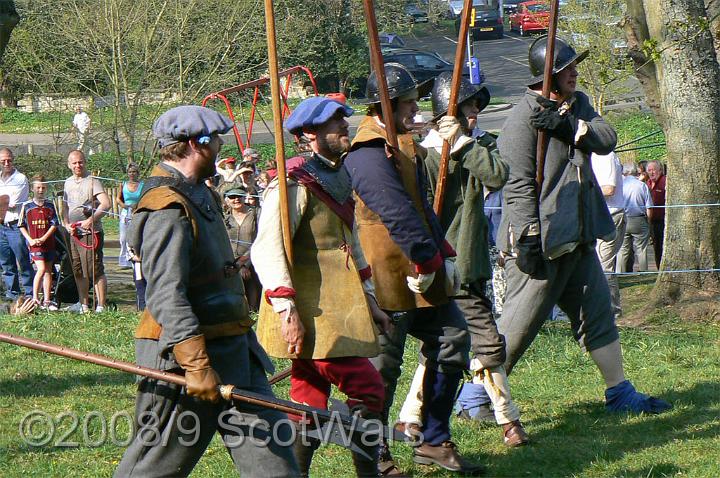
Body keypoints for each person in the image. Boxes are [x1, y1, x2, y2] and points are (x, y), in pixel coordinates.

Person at [115, 105, 299, 477]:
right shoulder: (166, 207)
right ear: (195, 144)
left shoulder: (199, 193)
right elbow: (167, 294)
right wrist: (197, 365)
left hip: (236, 352)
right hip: (184, 362)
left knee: (275, 469)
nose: (220, 145)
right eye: (215, 140)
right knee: (152, 470)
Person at [495, 36, 672, 415]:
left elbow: (607, 139)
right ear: (549, 76)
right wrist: (527, 236)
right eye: (566, 68)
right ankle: (476, 397)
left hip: (578, 236)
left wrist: (571, 127)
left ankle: (620, 392)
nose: (575, 72)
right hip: (540, 242)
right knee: (516, 327)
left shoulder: (579, 106)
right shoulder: (521, 121)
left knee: (598, 316)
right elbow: (518, 184)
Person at [345, 63, 483, 475]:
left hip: (421, 267)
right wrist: (429, 257)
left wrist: (443, 252)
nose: (415, 108)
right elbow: (397, 214)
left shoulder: (401, 145)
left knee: (453, 339)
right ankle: (375, 455)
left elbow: (422, 209)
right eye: (407, 102)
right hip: (388, 274)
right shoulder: (368, 154)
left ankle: (434, 440)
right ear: (384, 106)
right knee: (382, 370)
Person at [252, 96, 392, 477]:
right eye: (334, 123)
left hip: (340, 304)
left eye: (343, 120)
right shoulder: (293, 183)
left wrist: (370, 300)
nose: (344, 126)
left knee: (307, 397)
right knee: (369, 388)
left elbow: (352, 242)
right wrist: (286, 311)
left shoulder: (339, 174)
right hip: (310, 311)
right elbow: (268, 249)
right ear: (309, 134)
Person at [396, 72, 527, 448]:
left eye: (476, 108)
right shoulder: (421, 153)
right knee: (486, 342)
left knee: (442, 346)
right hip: (445, 266)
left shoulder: (476, 144)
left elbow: (499, 174)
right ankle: (509, 421)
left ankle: (408, 419)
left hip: (469, 263)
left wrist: (463, 144)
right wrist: (443, 145)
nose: (475, 114)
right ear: (447, 111)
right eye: (468, 107)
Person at [61, 150, 111, 313]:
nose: (78, 165)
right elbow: (65, 206)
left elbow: (106, 203)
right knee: (78, 270)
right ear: (69, 165)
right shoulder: (67, 182)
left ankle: (101, 306)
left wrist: (91, 220)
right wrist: (66, 223)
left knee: (94, 270)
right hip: (74, 234)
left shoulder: (92, 181)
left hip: (91, 233)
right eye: (74, 163)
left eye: (80, 162)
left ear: (85, 162)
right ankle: (83, 304)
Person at [591, 151, 625, 319]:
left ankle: (613, 312)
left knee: (605, 266)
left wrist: (583, 191)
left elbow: (609, 189)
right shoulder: (592, 155)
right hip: (598, 217)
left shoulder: (605, 156)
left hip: (611, 216)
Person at [19, 175, 59, 310]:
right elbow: (21, 225)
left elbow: (54, 224)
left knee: (48, 271)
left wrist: (45, 238)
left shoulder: (50, 206)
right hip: (34, 244)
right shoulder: (27, 206)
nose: (40, 190)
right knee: (40, 269)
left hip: (48, 243)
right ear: (32, 189)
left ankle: (47, 300)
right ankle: (35, 298)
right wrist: (30, 239)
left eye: (43, 187)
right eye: (38, 187)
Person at [0, 148, 34, 300]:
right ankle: (12, 293)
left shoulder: (20, 179)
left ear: (13, 159)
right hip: (1, 226)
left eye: (9, 160)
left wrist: (4, 201)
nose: (7, 163)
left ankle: (30, 293)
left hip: (16, 226)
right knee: (6, 263)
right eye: (3, 161)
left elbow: (10, 203)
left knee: (23, 260)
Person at [223, 186, 261, 312]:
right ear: (227, 200)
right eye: (232, 197)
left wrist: (244, 263)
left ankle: (253, 312)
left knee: (251, 280)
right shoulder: (224, 218)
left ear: (244, 197)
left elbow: (260, 239)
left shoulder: (256, 213)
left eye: (238, 196)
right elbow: (223, 242)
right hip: (230, 262)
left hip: (255, 259)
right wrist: (237, 264)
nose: (236, 200)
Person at [617, 162, 653, 273]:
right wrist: (648, 222)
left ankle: (620, 274)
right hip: (639, 219)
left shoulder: (620, 185)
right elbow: (649, 207)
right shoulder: (642, 185)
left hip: (624, 218)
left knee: (622, 250)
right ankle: (643, 273)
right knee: (641, 249)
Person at [116, 163, 143, 268]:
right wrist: (124, 205)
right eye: (130, 172)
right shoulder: (123, 184)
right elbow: (118, 199)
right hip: (125, 214)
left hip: (137, 213)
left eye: (134, 172)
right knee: (123, 238)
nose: (132, 174)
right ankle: (124, 260)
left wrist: (137, 206)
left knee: (135, 237)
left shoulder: (142, 185)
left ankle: (136, 258)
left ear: (137, 173)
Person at [645, 160, 666, 268]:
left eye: (654, 170)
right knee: (656, 246)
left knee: (662, 246)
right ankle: (659, 268)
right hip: (651, 221)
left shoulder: (665, 182)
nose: (652, 172)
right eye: (649, 170)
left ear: (660, 170)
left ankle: (663, 268)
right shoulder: (647, 183)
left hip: (663, 220)